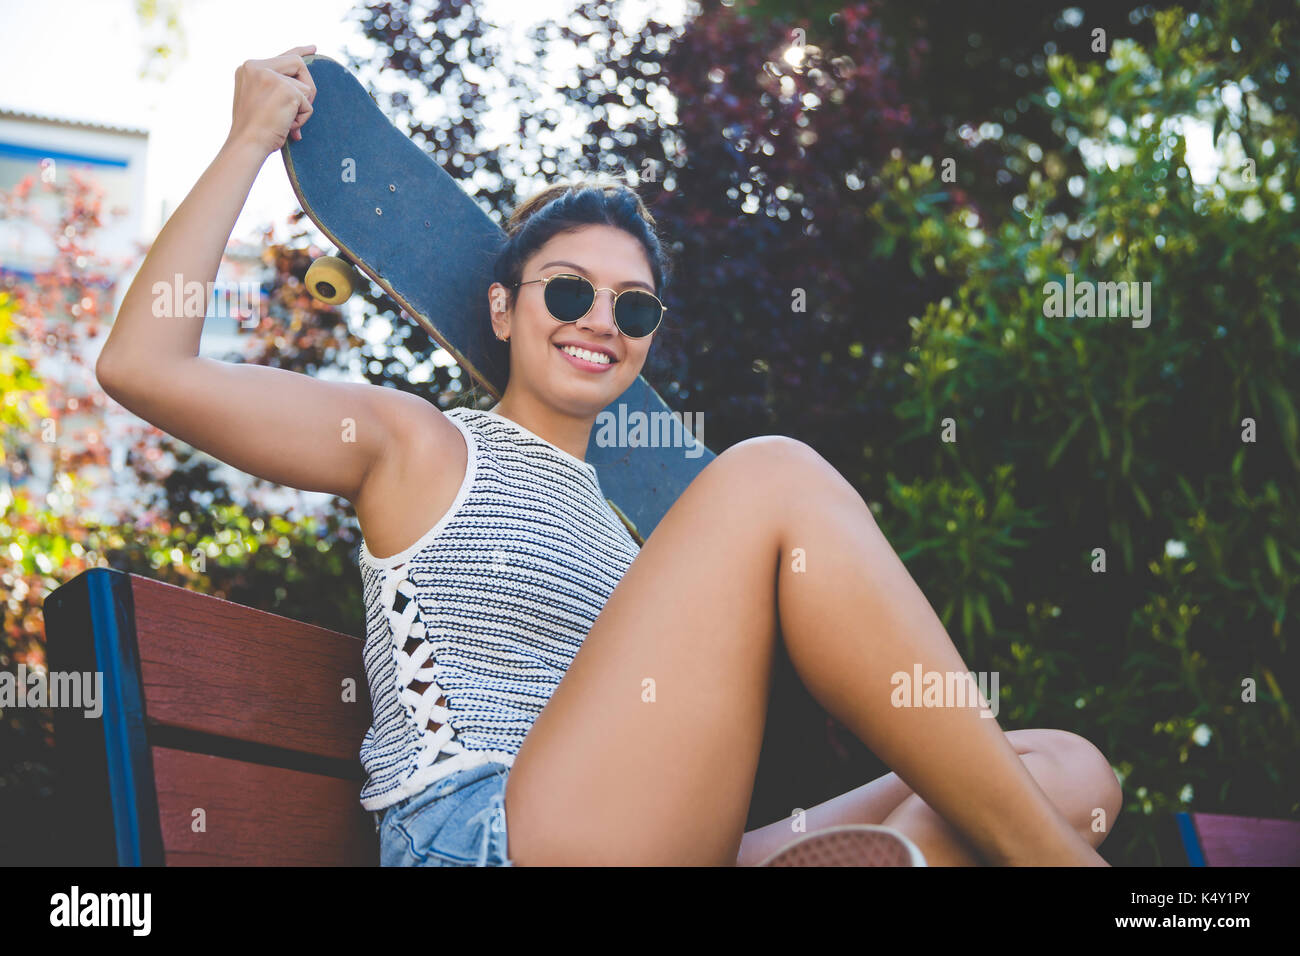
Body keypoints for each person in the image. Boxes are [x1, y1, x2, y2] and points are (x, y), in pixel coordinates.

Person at [96, 46, 1122, 867]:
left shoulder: (642, 542)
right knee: (770, 472)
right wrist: (245, 140)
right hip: (483, 834)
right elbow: (143, 366)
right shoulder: (418, 443)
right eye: (567, 290)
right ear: (502, 307)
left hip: (645, 838)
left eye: (632, 306)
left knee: (1067, 773)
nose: (601, 320)